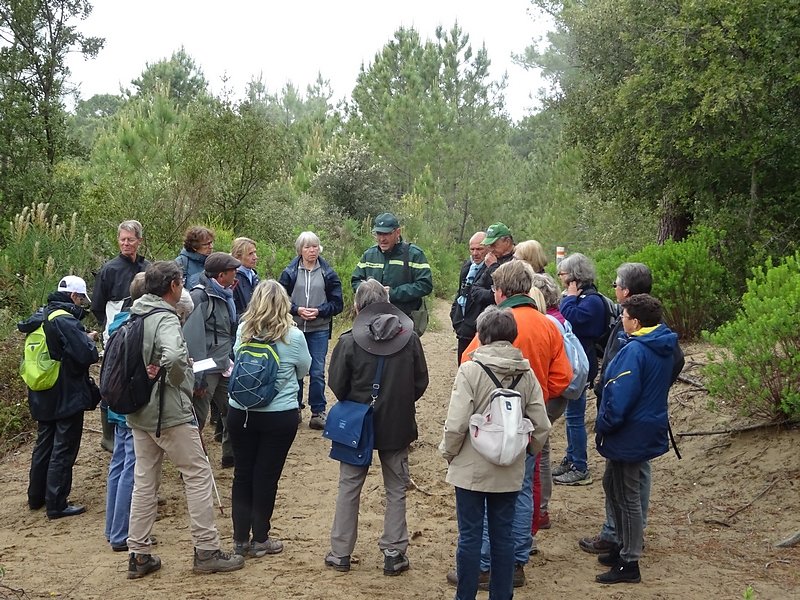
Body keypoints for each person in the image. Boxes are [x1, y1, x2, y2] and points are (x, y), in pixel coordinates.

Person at [125, 261, 244, 579]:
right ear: (174, 286)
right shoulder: (163, 316)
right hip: (169, 412)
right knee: (198, 475)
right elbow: (176, 357)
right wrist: (184, 380)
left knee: (144, 482)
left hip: (139, 412)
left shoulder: (136, 313)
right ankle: (206, 550)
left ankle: (138, 554)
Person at [459, 260, 572, 587]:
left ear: (501, 291)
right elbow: (564, 377)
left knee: (483, 492)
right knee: (521, 490)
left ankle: (483, 566)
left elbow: (468, 363)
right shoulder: (548, 325)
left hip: (490, 425)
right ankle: (516, 563)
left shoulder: (494, 325)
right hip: (527, 423)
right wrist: (536, 401)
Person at [441, 306, 550, 600]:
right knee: (503, 537)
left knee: (470, 537)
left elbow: (456, 423)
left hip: (470, 468)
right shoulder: (525, 375)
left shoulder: (471, 370)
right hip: (509, 467)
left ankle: (465, 595)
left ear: (482, 335)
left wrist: (450, 454)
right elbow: (541, 425)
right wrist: (526, 453)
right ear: (512, 336)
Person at [325, 279, 429, 576]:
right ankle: (394, 553)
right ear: (386, 302)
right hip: (397, 423)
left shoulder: (347, 341)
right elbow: (420, 382)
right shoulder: (410, 338)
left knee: (349, 486)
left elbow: (337, 385)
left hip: (356, 423)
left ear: (357, 307)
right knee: (396, 487)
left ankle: (340, 553)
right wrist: (397, 402)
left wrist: (358, 403)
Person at [579, 263, 684, 555]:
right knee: (617, 481)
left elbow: (633, 377)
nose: (613, 289)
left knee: (629, 487)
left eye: (615, 284)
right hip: (630, 419)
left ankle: (625, 545)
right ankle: (622, 538)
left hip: (628, 422)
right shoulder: (651, 331)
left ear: (625, 290)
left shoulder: (642, 338)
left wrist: (645, 393)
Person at [594, 294, 678, 584]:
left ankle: (629, 561)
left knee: (628, 495)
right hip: (643, 426)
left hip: (630, 430)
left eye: (625, 317)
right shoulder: (663, 344)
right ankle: (621, 546)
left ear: (636, 322)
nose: (622, 322)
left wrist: (604, 424)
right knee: (613, 484)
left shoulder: (636, 351)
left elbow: (619, 396)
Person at [228, 280, 311, 558]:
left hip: (241, 412)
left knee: (242, 474)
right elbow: (304, 370)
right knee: (266, 476)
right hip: (279, 415)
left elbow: (237, 358)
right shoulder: (294, 337)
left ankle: (240, 539)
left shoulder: (243, 330)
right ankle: (260, 538)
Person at [19, 275, 99, 519]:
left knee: (44, 443)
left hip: (41, 388)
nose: (82, 305)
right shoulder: (64, 319)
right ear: (74, 296)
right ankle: (57, 503)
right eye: (81, 299)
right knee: (64, 446)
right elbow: (87, 356)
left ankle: (36, 497)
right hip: (65, 391)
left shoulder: (40, 316)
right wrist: (88, 340)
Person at [91, 219, 150, 453]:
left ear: (139, 241)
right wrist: (108, 328)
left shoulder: (148, 267)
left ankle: (137, 423)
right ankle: (108, 435)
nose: (126, 243)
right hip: (115, 331)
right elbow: (97, 304)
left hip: (143, 329)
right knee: (112, 379)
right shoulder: (109, 269)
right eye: (123, 239)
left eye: (130, 240)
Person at [279, 231, 344, 429]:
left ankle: (318, 412)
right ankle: (294, 408)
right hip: (294, 328)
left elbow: (337, 303)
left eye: (315, 246)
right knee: (294, 369)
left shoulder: (328, 273)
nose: (312, 250)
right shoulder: (289, 272)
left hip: (319, 329)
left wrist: (319, 311)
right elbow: (280, 300)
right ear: (300, 250)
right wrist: (296, 309)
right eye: (307, 247)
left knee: (317, 371)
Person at [182, 252, 241, 468]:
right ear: (222, 274)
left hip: (223, 363)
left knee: (233, 409)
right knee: (198, 416)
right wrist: (197, 378)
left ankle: (231, 455)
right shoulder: (200, 297)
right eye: (233, 271)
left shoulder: (225, 294)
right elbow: (192, 338)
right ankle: (191, 464)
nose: (236, 274)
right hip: (206, 369)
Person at [554, 252, 607, 486]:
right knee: (570, 416)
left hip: (583, 366)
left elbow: (570, 318)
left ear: (574, 277)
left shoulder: (592, 301)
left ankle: (580, 466)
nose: (560, 277)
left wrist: (569, 298)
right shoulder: (583, 298)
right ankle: (571, 457)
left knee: (575, 417)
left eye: (563, 274)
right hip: (577, 363)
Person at [104, 272, 147, 552]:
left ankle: (112, 529)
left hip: (116, 404)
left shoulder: (118, 322)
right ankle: (121, 533)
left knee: (118, 465)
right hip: (131, 407)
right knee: (131, 467)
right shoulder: (139, 327)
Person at [531, 273, 570, 530]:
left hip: (547, 397)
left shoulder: (547, 323)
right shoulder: (559, 319)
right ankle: (540, 510)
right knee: (542, 452)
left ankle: (540, 510)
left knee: (538, 453)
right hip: (554, 397)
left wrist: (543, 395)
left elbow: (561, 373)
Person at [351, 212, 432, 326]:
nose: (382, 239)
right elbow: (355, 281)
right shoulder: (369, 255)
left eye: (386, 234)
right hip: (372, 321)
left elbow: (425, 285)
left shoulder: (414, 254)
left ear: (397, 232)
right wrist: (370, 292)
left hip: (404, 320)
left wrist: (393, 293)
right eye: (378, 234)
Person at [450, 231, 491, 364]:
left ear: (488, 249)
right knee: (463, 367)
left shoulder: (491, 269)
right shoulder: (467, 267)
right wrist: (455, 316)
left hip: (480, 331)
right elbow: (460, 293)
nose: (475, 253)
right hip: (463, 329)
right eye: (472, 249)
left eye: (479, 249)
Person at [514, 240, 549, 313]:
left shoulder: (541, 285)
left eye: (516, 259)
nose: (513, 262)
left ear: (529, 261)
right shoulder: (522, 280)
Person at [175, 225, 215, 290]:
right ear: (194, 247)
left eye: (211, 242)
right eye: (206, 244)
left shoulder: (215, 261)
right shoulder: (181, 263)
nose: (211, 246)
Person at [231, 237, 260, 321]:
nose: (255, 257)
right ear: (238, 256)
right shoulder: (233, 278)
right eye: (250, 254)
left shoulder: (254, 275)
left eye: (255, 252)